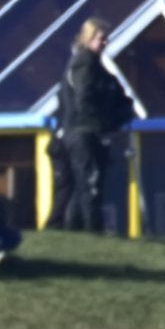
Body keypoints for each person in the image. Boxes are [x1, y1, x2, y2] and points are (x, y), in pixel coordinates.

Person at [53, 19, 134, 233]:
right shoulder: (85, 63)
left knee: (85, 186)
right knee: (89, 184)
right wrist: (106, 123)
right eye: (101, 38)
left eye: (106, 38)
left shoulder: (97, 67)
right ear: (88, 38)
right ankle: (91, 231)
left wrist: (120, 112)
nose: (105, 42)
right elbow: (84, 100)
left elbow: (122, 98)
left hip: (85, 132)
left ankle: (78, 231)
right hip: (83, 133)